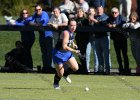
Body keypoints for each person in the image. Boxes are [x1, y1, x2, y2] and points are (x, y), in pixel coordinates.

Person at [53, 19, 79, 89]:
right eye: (71, 25)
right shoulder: (66, 33)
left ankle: (65, 75)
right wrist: (74, 51)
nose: (73, 27)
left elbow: (70, 40)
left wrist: (73, 44)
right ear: (68, 26)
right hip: (58, 54)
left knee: (75, 68)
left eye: (75, 25)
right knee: (60, 73)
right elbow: (64, 46)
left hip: (66, 53)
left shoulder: (72, 32)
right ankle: (56, 84)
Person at [29, 5, 55, 73]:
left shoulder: (44, 13)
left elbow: (43, 21)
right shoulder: (35, 14)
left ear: (41, 9)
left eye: (39, 9)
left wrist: (37, 24)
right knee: (43, 52)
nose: (38, 11)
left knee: (49, 52)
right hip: (41, 36)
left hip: (48, 36)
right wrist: (36, 24)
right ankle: (45, 67)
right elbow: (30, 22)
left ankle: (50, 67)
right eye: (36, 10)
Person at [107, 7, 130, 75]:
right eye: (113, 12)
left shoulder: (122, 17)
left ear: (118, 12)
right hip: (115, 39)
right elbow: (105, 22)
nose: (114, 14)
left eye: (115, 12)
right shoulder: (109, 18)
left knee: (124, 54)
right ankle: (121, 68)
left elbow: (124, 23)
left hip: (122, 39)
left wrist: (115, 25)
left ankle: (126, 69)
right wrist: (108, 24)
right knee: (118, 55)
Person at [94, 6, 110, 74]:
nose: (99, 11)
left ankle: (107, 69)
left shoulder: (105, 17)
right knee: (99, 55)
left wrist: (93, 19)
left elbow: (101, 23)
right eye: (97, 10)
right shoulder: (95, 17)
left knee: (106, 55)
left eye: (100, 9)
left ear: (103, 10)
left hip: (104, 37)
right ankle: (101, 70)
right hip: (97, 38)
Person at [74, 7, 90, 73]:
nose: (79, 13)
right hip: (78, 39)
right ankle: (83, 68)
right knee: (80, 54)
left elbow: (87, 28)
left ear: (83, 13)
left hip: (84, 39)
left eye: (81, 12)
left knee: (83, 54)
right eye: (78, 12)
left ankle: (85, 69)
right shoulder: (76, 20)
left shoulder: (85, 20)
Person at [86, 7, 98, 72]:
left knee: (96, 54)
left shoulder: (96, 19)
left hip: (95, 38)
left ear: (94, 12)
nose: (90, 12)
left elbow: (99, 23)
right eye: (89, 11)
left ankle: (96, 69)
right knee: (87, 54)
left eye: (92, 11)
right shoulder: (85, 20)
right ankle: (87, 69)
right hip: (88, 39)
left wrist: (92, 19)